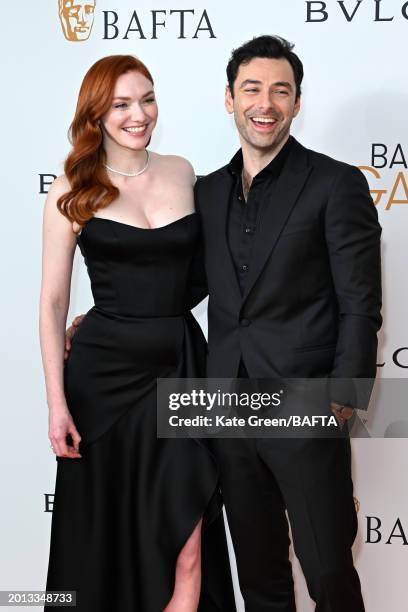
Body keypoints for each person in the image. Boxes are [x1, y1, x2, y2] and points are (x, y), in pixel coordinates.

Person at [66, 36, 382, 611]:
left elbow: (361, 302)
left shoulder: (336, 185)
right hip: (226, 409)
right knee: (259, 579)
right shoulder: (206, 191)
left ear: (297, 102)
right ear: (229, 99)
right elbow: (185, 282)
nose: (266, 103)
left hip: (304, 407)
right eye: (252, 89)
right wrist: (105, 316)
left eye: (280, 91)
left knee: (329, 573)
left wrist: (343, 397)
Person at [39, 54, 235, 612]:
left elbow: (193, 278)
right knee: (107, 533)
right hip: (102, 382)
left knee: (190, 533)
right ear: (97, 114)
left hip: (181, 365)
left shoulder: (181, 171)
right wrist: (57, 402)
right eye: (122, 104)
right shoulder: (73, 186)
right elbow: (53, 301)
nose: (138, 113)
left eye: (147, 98)